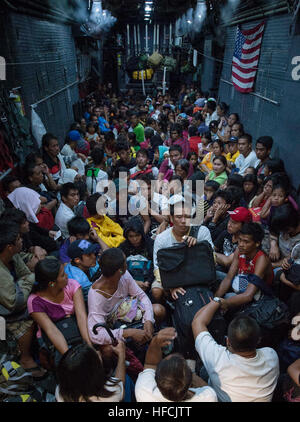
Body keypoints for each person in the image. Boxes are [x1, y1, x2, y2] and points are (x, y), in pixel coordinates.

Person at [192, 307, 279, 402]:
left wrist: (217, 301)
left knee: (202, 371)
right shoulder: (271, 355)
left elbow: (197, 322)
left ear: (228, 341)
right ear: (259, 340)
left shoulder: (218, 361)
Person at [0, 221, 46, 378]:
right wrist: (26, 281)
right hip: (5, 312)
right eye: (19, 239)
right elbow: (15, 302)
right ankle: (25, 358)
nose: (22, 241)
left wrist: (24, 282)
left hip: (12, 299)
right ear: (9, 246)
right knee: (32, 313)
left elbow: (25, 274)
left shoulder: (13, 256)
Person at [27, 257, 92, 363]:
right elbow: (51, 330)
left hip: (76, 327)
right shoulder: (34, 301)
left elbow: (81, 317)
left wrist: (90, 347)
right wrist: (69, 357)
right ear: (51, 283)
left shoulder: (72, 285)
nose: (66, 276)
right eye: (62, 275)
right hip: (54, 336)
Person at [88, 248, 155, 346]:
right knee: (108, 350)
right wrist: (128, 333)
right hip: (114, 327)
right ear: (120, 270)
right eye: (125, 262)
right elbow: (96, 334)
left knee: (158, 310)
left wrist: (148, 320)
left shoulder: (124, 275)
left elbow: (142, 297)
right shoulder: (96, 295)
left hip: (128, 314)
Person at [152, 200, 214, 303]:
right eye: (179, 217)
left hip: (197, 273)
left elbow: (213, 259)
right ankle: (167, 310)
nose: (184, 220)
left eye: (187, 216)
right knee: (156, 291)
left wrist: (198, 246)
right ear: (171, 218)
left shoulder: (202, 231)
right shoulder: (161, 238)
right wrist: (171, 286)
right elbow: (157, 267)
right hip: (171, 274)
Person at [135, 327, 217, 402]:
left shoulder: (144, 391)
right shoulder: (208, 397)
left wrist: (155, 341)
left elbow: (150, 365)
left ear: (156, 380)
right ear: (190, 383)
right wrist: (190, 374)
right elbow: (208, 388)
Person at [214, 223, 274, 314]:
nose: (241, 244)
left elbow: (248, 295)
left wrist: (224, 303)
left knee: (228, 297)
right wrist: (215, 299)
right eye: (240, 240)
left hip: (257, 294)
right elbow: (229, 277)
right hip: (241, 283)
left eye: (246, 242)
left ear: (257, 243)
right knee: (215, 275)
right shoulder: (239, 250)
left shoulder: (261, 260)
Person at [55, 342, 125, 402]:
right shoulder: (113, 393)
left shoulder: (60, 392)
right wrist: (122, 355)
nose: (98, 353)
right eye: (96, 356)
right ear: (93, 373)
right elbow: (120, 385)